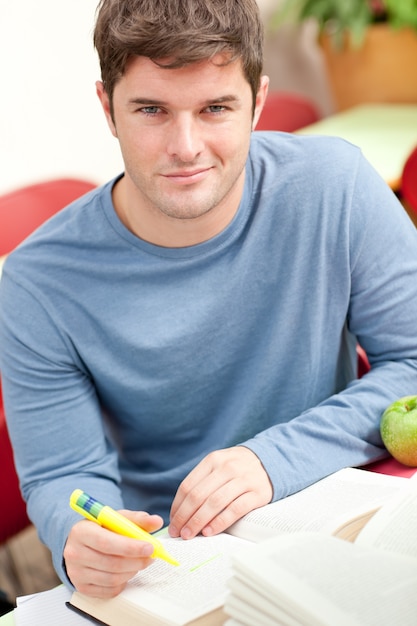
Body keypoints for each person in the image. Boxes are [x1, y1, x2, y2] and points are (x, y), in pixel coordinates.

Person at [1, 0, 417, 601]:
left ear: (259, 102)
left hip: (334, 519)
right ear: (107, 108)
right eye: (152, 110)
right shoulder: (40, 280)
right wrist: (77, 539)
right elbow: (61, 474)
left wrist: (271, 459)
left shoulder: (335, 186)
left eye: (216, 108)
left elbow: (412, 363)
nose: (186, 147)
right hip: (169, 565)